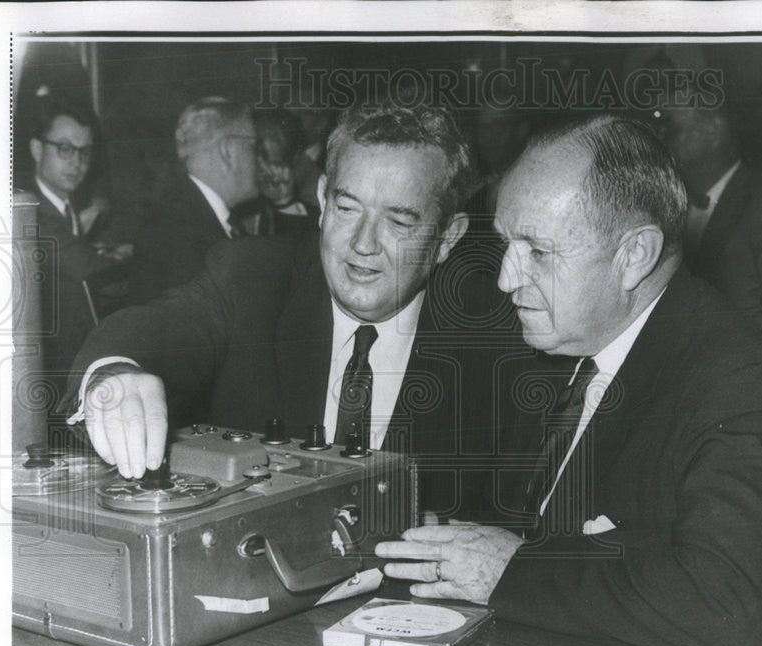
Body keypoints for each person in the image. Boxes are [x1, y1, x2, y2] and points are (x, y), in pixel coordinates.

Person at [377, 115, 762, 646]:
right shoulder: (555, 346)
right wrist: (437, 538)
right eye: (507, 245)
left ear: (634, 256)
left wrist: (507, 569)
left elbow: (728, 604)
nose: (506, 279)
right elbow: (524, 526)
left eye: (537, 251)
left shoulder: (741, 382)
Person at [67, 100, 506, 517]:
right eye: (347, 207)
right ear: (321, 197)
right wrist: (113, 374)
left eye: (398, 221)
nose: (362, 244)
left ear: (448, 237)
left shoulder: (499, 334)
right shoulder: (251, 278)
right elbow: (153, 330)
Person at [657, 91, 762, 399]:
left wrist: (700, 359)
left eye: (670, 125)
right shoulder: (668, 211)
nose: (658, 135)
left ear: (714, 130)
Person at [129, 97, 259, 304]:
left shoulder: (199, 213)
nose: (259, 159)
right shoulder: (177, 231)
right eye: (253, 146)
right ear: (228, 151)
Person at [25, 95, 110, 407]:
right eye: (65, 149)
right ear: (37, 149)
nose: (77, 162)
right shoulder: (32, 211)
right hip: (47, 379)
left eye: (85, 152)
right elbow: (88, 268)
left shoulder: (66, 207)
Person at [240, 108, 314, 238]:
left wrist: (284, 201)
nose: (262, 169)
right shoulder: (233, 194)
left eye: (275, 164)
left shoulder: (312, 196)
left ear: (293, 161)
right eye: (255, 155)